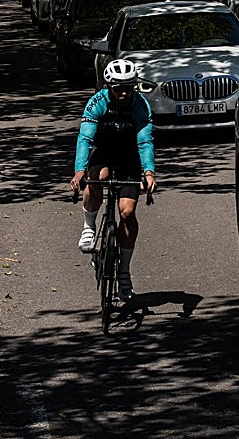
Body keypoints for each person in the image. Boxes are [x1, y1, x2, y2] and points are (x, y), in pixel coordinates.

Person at [71, 59, 156, 302]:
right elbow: (85, 139)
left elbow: (145, 142)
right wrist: (79, 171)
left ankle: (124, 271)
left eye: (128, 87)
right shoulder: (96, 103)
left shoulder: (140, 106)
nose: (123, 92)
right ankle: (89, 225)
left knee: (127, 212)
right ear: (108, 86)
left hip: (129, 158)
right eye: (117, 88)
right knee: (97, 177)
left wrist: (149, 173)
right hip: (105, 153)